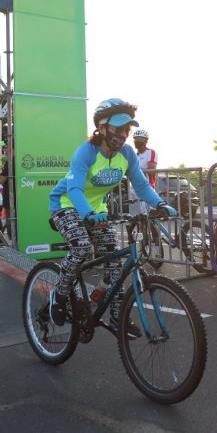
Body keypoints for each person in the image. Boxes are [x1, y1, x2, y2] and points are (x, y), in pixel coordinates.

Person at [48, 98, 177, 336]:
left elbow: (140, 185)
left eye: (127, 129)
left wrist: (159, 203)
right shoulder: (86, 152)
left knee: (115, 264)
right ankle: (60, 294)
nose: (124, 134)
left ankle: (117, 317)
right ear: (102, 127)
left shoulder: (127, 154)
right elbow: (74, 189)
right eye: (118, 128)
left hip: (96, 210)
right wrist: (87, 214)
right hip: (66, 204)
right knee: (82, 248)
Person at [128, 128, 158, 215]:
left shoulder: (151, 152)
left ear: (145, 141)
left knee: (146, 216)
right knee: (134, 216)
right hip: (133, 189)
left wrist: (136, 170)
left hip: (146, 187)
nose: (137, 141)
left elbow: (152, 170)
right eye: (135, 139)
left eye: (140, 139)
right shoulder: (134, 155)